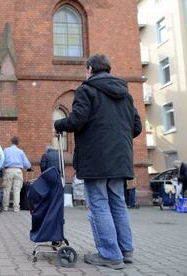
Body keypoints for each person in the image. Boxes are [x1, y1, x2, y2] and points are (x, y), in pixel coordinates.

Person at [54, 54, 142, 269]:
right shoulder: (126, 94)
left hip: (96, 159)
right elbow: (137, 127)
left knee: (100, 205)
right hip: (120, 160)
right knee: (118, 204)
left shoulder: (87, 89)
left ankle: (110, 255)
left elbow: (78, 120)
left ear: (90, 68)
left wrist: (59, 124)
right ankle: (125, 250)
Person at [2, 136, 32, 212]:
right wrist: (28, 167)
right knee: (17, 190)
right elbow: (27, 164)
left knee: (6, 189)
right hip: (18, 171)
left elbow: (2, 161)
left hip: (8, 170)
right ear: (18, 143)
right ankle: (16, 208)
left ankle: (5, 207)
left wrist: (1, 168)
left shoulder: (6, 150)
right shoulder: (20, 151)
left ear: (11, 142)